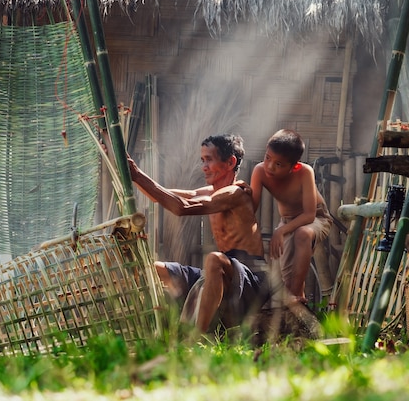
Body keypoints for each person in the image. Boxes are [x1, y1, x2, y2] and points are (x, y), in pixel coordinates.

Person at [127, 134, 268, 333]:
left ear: (230, 162)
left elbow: (180, 207)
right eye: (202, 160)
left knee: (213, 260)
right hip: (220, 273)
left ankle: (198, 339)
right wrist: (133, 173)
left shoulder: (236, 194)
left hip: (250, 277)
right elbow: (161, 195)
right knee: (154, 269)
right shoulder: (209, 192)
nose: (204, 167)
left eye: (209, 160)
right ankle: (161, 329)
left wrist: (137, 174)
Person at [250, 129, 332, 307]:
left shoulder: (304, 172)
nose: (270, 166)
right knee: (287, 278)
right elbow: (251, 209)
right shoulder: (260, 171)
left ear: (294, 166)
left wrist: (281, 231)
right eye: (267, 158)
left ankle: (296, 295)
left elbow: (309, 214)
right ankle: (296, 301)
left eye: (279, 164)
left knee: (302, 234)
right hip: (287, 222)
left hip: (316, 218)